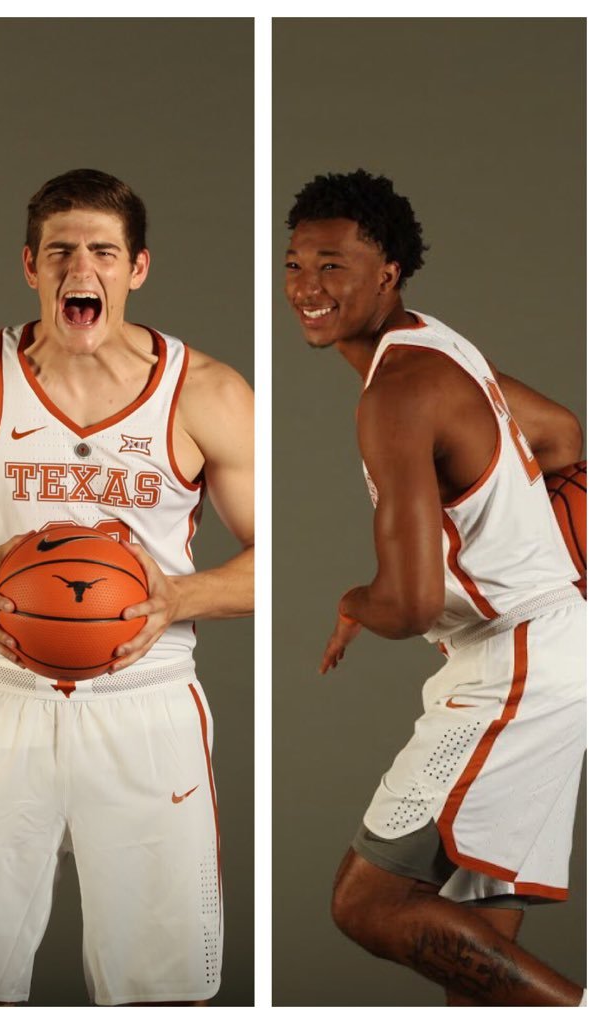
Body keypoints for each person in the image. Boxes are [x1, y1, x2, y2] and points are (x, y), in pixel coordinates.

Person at [0, 168, 254, 1006]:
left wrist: (181, 596)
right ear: (29, 265)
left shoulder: (206, 392)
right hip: (1, 698)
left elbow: (285, 558)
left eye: (102, 252)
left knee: (160, 990)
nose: (82, 270)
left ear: (136, 269)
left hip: (145, 703)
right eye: (62, 251)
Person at [283, 169, 586, 1006]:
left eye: (333, 266)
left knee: (368, 902)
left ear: (387, 273)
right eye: (295, 265)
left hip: (515, 666)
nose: (307, 287)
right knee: (472, 951)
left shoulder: (396, 392)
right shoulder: (435, 343)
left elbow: (408, 602)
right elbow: (562, 436)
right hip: (549, 648)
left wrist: (352, 600)